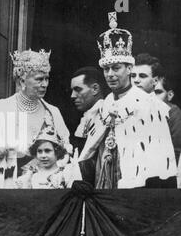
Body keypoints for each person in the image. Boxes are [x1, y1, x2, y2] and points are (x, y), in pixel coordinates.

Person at [79, 12, 177, 188]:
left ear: (129, 68)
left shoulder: (149, 105)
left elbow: (160, 162)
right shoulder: (104, 104)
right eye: (106, 69)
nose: (110, 74)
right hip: (104, 182)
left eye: (116, 68)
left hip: (136, 188)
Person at [0, 49, 70, 189]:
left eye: (46, 79)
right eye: (39, 79)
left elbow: (65, 151)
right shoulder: (0, 107)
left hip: (42, 186)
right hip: (5, 182)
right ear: (22, 80)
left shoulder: (53, 112)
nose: (45, 84)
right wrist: (10, 147)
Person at [132, 53, 181, 166]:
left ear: (155, 81)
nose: (136, 80)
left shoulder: (168, 111)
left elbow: (175, 153)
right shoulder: (123, 106)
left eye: (142, 76)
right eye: (133, 75)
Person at [70, 66, 108, 153]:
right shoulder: (87, 116)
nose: (73, 95)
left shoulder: (106, 116)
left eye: (78, 89)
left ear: (95, 89)